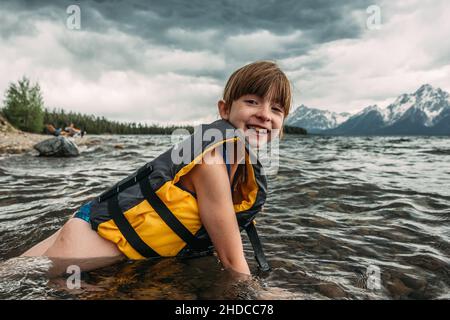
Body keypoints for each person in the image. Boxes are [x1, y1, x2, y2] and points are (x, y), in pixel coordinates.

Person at [21, 61, 292, 277]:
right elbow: (231, 259)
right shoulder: (213, 163)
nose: (265, 114)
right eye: (252, 102)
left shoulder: (231, 157)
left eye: (276, 108)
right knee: (26, 285)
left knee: (11, 273)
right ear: (224, 109)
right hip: (84, 246)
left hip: (89, 222)